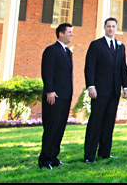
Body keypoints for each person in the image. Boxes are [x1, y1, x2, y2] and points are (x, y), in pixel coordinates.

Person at [83, 17, 127, 163]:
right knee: (95, 122)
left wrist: (125, 87)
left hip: (114, 91)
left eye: (113, 26)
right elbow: (90, 67)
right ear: (104, 28)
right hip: (100, 91)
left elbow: (123, 69)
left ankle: (105, 152)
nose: (110, 29)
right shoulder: (96, 45)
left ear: (116, 28)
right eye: (108, 26)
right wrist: (91, 86)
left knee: (109, 122)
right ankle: (89, 155)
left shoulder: (120, 46)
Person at [39, 23, 74, 170]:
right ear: (61, 34)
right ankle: (44, 160)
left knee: (60, 128)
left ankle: (54, 157)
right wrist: (50, 91)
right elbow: (47, 72)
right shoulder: (51, 50)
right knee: (51, 128)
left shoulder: (67, 52)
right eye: (69, 32)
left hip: (65, 97)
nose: (71, 34)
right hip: (54, 96)